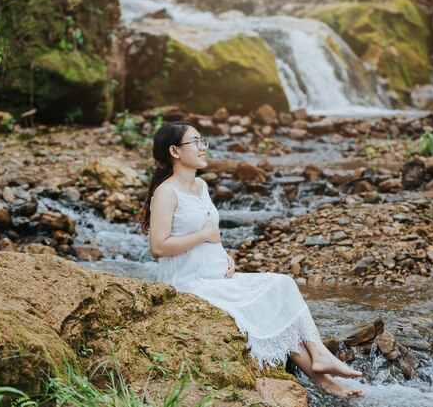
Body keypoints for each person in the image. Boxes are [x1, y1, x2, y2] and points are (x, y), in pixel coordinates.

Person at [139, 121, 365, 399]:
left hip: (217, 277)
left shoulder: (201, 185)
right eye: (195, 142)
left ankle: (323, 369)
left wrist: (226, 256)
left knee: (281, 288)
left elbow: (210, 238)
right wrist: (205, 235)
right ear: (174, 151)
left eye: (203, 141)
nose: (203, 148)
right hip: (189, 284)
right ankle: (325, 376)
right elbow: (159, 247)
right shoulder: (166, 192)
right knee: (273, 296)